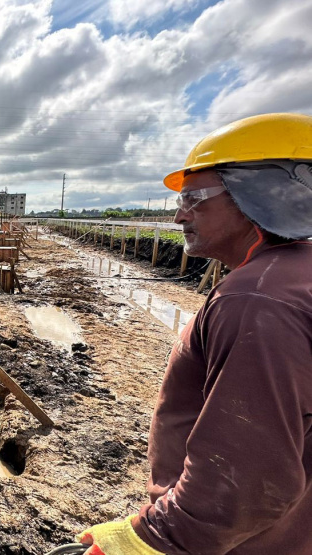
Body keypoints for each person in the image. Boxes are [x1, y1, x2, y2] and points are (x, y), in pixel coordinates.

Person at [77, 113, 312, 555]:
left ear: (260, 195)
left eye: (195, 197)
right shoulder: (291, 278)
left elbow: (244, 476)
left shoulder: (256, 300)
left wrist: (155, 539)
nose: (180, 213)